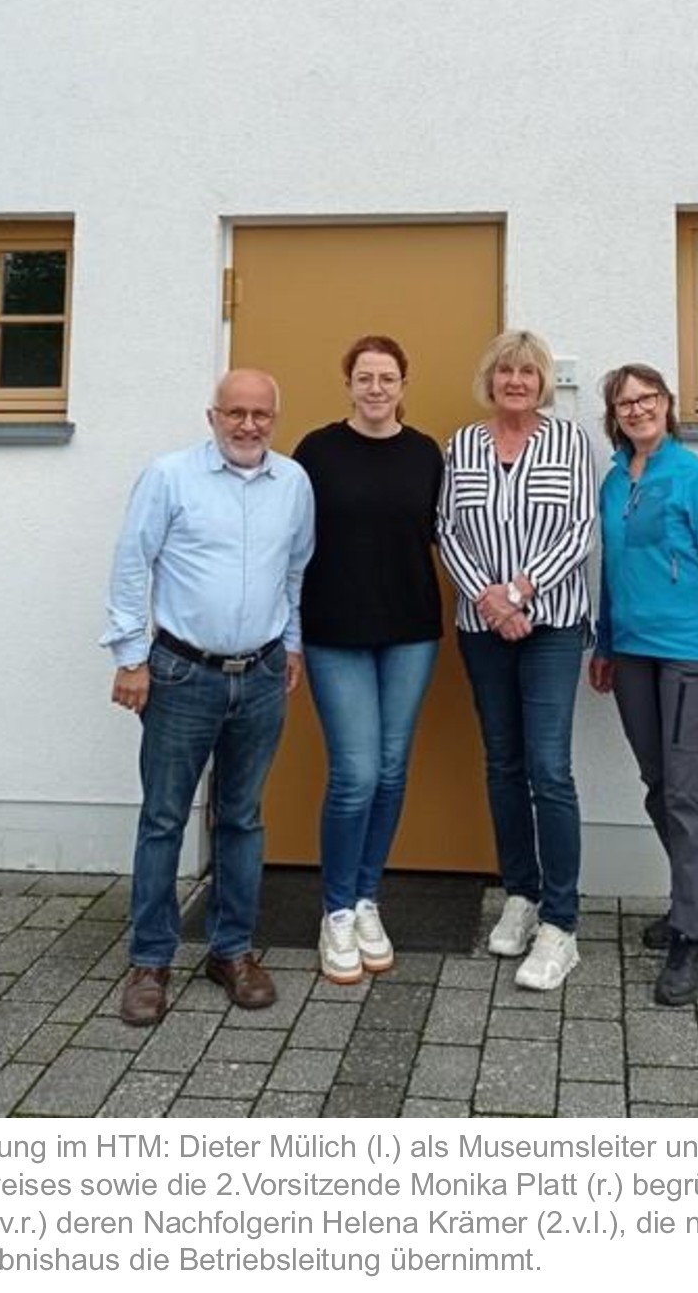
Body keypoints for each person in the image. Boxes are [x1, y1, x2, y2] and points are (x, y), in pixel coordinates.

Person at [103, 368, 314, 1027]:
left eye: (261, 415)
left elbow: (295, 571)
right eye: (236, 413)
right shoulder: (169, 477)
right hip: (179, 673)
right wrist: (129, 656)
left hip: (260, 675)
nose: (248, 426)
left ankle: (231, 951)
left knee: (242, 817)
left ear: (275, 420)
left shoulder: (294, 484)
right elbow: (131, 563)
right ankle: (151, 960)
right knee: (165, 817)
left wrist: (294, 646)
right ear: (212, 415)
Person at [588, 363, 698, 1008]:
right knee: (661, 785)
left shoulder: (695, 478)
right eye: (625, 402)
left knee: (686, 794)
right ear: (614, 416)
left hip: (690, 659)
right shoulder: (612, 482)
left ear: (666, 404)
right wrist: (603, 643)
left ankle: (693, 938)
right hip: (631, 656)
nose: (637, 409)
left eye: (647, 397)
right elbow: (614, 571)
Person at [437, 329, 595, 992]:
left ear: (543, 382)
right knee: (503, 762)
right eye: (506, 371)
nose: (517, 382)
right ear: (490, 379)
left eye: (528, 372)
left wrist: (521, 592)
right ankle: (521, 896)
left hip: (552, 623)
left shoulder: (571, 442)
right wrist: (491, 602)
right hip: (483, 626)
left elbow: (582, 526)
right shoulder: (462, 446)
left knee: (548, 769)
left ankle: (561, 924)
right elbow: (445, 527)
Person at [293, 336, 443, 984]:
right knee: (354, 773)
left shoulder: (425, 453)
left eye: (387, 377)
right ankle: (334, 911)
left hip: (410, 631)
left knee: (389, 770)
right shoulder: (316, 451)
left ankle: (365, 899)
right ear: (347, 383)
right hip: (335, 632)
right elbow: (290, 542)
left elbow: (453, 533)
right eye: (364, 376)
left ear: (404, 384)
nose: (376, 387)